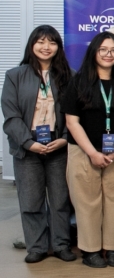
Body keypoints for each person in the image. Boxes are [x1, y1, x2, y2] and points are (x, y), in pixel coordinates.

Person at [62, 32, 114, 268]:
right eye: (103, 49)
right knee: (87, 202)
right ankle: (90, 250)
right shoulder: (78, 82)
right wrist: (92, 153)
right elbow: (72, 122)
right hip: (84, 151)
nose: (108, 54)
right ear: (94, 52)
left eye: (113, 50)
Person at [2, 26, 74, 263]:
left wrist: (64, 138)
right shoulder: (15, 76)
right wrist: (27, 142)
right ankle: (36, 247)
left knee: (60, 200)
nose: (46, 47)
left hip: (58, 143)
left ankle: (61, 244)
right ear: (32, 45)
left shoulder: (69, 76)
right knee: (31, 200)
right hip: (27, 145)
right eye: (41, 42)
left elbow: (76, 113)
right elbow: (11, 115)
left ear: (58, 47)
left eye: (52, 42)